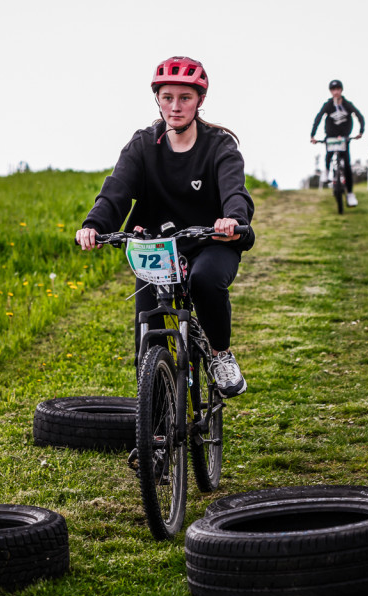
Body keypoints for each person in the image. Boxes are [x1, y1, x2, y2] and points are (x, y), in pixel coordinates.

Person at [75, 56, 255, 398]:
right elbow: (117, 189)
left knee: (203, 280)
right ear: (157, 99)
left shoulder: (219, 145)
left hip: (211, 241)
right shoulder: (143, 144)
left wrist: (233, 220)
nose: (175, 106)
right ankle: (155, 429)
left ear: (199, 101)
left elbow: (235, 191)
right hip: (157, 246)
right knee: (148, 339)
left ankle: (220, 355)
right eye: (167, 97)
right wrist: (94, 225)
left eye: (185, 98)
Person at [310, 79, 365, 207]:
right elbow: (318, 118)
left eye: (337, 89)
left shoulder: (347, 104)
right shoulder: (328, 105)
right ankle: (327, 171)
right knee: (328, 154)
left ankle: (350, 193)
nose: (335, 92)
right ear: (331, 91)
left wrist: (361, 131)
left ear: (341, 90)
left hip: (344, 138)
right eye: (333, 90)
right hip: (330, 137)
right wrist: (313, 135)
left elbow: (359, 116)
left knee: (346, 165)